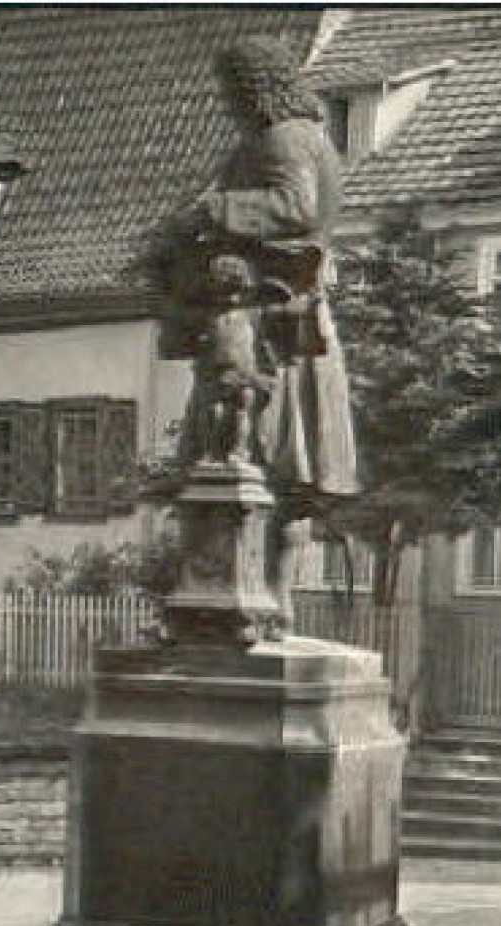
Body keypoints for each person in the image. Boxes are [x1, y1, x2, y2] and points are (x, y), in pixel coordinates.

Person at [156, 36, 360, 627]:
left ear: (254, 86)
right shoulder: (309, 136)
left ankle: (256, 601)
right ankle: (271, 604)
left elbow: (293, 207)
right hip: (294, 323)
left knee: (249, 457)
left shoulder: (283, 137)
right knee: (289, 474)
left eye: (232, 89)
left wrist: (214, 210)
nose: (227, 101)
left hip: (272, 323)